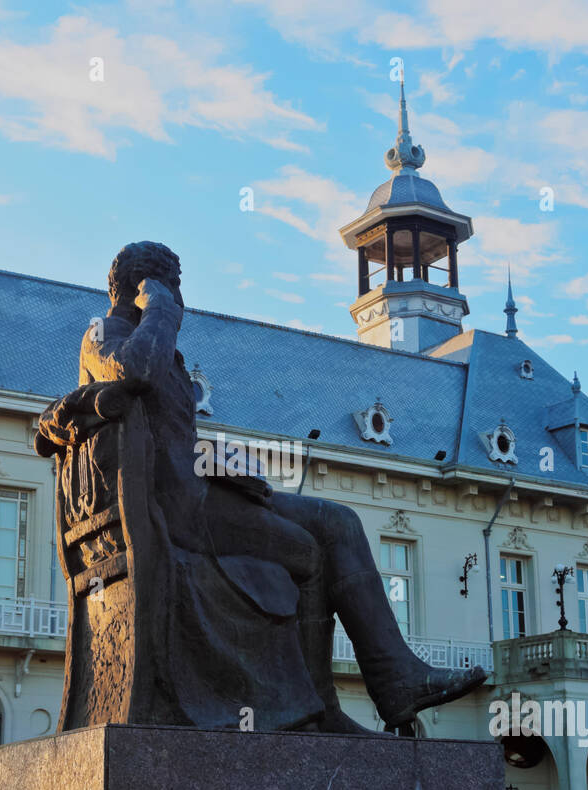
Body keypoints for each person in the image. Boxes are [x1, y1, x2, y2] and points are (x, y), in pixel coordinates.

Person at [38, 241, 484, 732]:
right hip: (175, 514)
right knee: (305, 553)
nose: (181, 300)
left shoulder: (156, 343)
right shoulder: (106, 333)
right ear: (147, 286)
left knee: (339, 521)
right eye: (175, 287)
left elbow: (170, 439)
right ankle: (319, 708)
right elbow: (136, 372)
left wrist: (221, 467)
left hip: (201, 491)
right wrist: (160, 307)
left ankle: (393, 678)